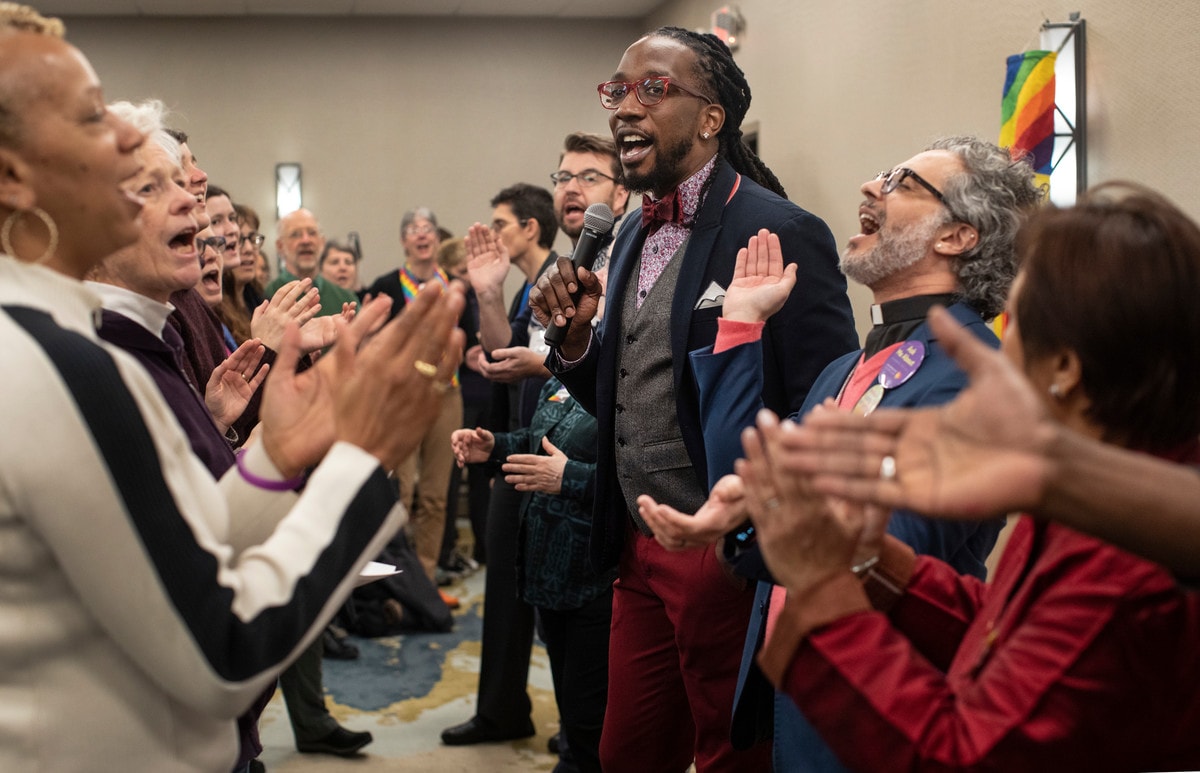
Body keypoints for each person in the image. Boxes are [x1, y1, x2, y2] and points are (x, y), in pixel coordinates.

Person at [0, 7, 465, 772]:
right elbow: (223, 648)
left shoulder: (55, 341)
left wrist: (274, 458)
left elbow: (163, 551)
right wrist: (358, 456)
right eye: (91, 117)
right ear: (14, 178)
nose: (123, 138)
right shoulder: (57, 365)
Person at [738, 182, 1200, 771]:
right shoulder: (1114, 480)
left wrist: (822, 584)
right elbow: (1004, 632)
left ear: (1064, 368)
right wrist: (872, 560)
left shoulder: (1124, 554)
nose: (1001, 349)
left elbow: (959, 754)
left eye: (1019, 328)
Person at [639, 136, 1042, 769]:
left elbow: (881, 559)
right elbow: (736, 474)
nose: (870, 187)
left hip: (878, 702)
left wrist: (760, 509)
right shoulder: (845, 368)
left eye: (905, 183)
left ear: (958, 237)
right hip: (797, 682)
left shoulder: (970, 378)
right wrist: (741, 326)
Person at [530, 26, 857, 772]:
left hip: (726, 550)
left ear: (711, 117)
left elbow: (822, 399)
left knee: (730, 752)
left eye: (653, 89)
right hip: (637, 548)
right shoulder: (629, 234)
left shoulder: (779, 228)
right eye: (617, 90)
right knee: (627, 750)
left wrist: (759, 534)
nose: (624, 108)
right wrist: (578, 343)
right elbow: (624, 386)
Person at [793, 303, 1200, 578]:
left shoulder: (1110, 556)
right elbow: (986, 628)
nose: (999, 341)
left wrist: (832, 587)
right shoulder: (1076, 508)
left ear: (1064, 367)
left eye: (1016, 321)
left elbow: (999, 696)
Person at [441, 183, 561, 747]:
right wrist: (488, 297)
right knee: (504, 582)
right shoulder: (524, 290)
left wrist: (528, 365)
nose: (492, 233)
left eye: (501, 223)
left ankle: (579, 728)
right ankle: (501, 710)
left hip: (555, 450)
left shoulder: (564, 279)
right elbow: (500, 351)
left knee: (557, 595)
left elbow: (570, 366)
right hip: (516, 442)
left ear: (530, 228)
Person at [364, 207, 462, 606]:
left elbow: (467, 339)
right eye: (413, 230)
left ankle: (424, 581)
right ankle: (395, 587)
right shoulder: (386, 286)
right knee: (400, 493)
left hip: (446, 394)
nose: (421, 235)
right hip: (401, 395)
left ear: (437, 239)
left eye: (428, 229)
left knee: (437, 494)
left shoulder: (454, 287)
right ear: (404, 240)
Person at [265, 206, 359, 317]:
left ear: (322, 242)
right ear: (280, 246)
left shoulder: (346, 299)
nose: (306, 240)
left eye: (312, 233)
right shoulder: (265, 297)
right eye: (295, 234)